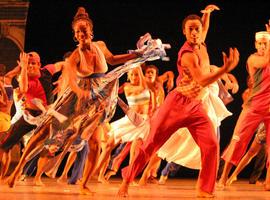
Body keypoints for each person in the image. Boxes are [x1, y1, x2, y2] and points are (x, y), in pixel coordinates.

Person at [117, 4, 239, 198]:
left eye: (196, 29)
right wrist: (224, 70)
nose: (194, 32)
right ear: (184, 32)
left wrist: (206, 15)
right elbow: (201, 79)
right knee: (150, 145)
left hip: (196, 107)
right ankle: (126, 181)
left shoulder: (202, 43)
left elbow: (204, 29)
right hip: (176, 105)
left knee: (212, 145)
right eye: (190, 29)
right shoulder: (187, 54)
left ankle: (204, 189)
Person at [218, 28, 270, 189]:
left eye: (265, 43)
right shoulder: (253, 59)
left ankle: (268, 181)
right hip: (253, 106)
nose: (263, 46)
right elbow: (264, 62)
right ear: (255, 45)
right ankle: (224, 177)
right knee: (237, 140)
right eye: (260, 43)